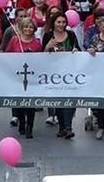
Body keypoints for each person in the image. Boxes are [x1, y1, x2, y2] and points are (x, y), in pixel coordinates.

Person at [42, 11, 80, 139]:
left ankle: (68, 127)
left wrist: (76, 51)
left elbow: (78, 49)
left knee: (69, 99)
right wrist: (48, 47)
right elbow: (41, 55)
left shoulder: (71, 35)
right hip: (54, 74)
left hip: (69, 73)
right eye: (59, 22)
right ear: (53, 23)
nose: (61, 24)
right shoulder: (48, 36)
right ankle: (62, 127)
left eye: (63, 22)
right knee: (58, 100)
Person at [5, 17, 43, 139]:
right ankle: (21, 122)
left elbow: (42, 60)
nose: (28, 29)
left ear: (34, 29)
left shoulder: (37, 43)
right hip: (17, 76)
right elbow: (7, 55)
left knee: (30, 103)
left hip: (31, 77)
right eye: (25, 27)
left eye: (30, 27)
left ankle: (29, 127)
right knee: (20, 103)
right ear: (21, 28)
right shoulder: (15, 41)